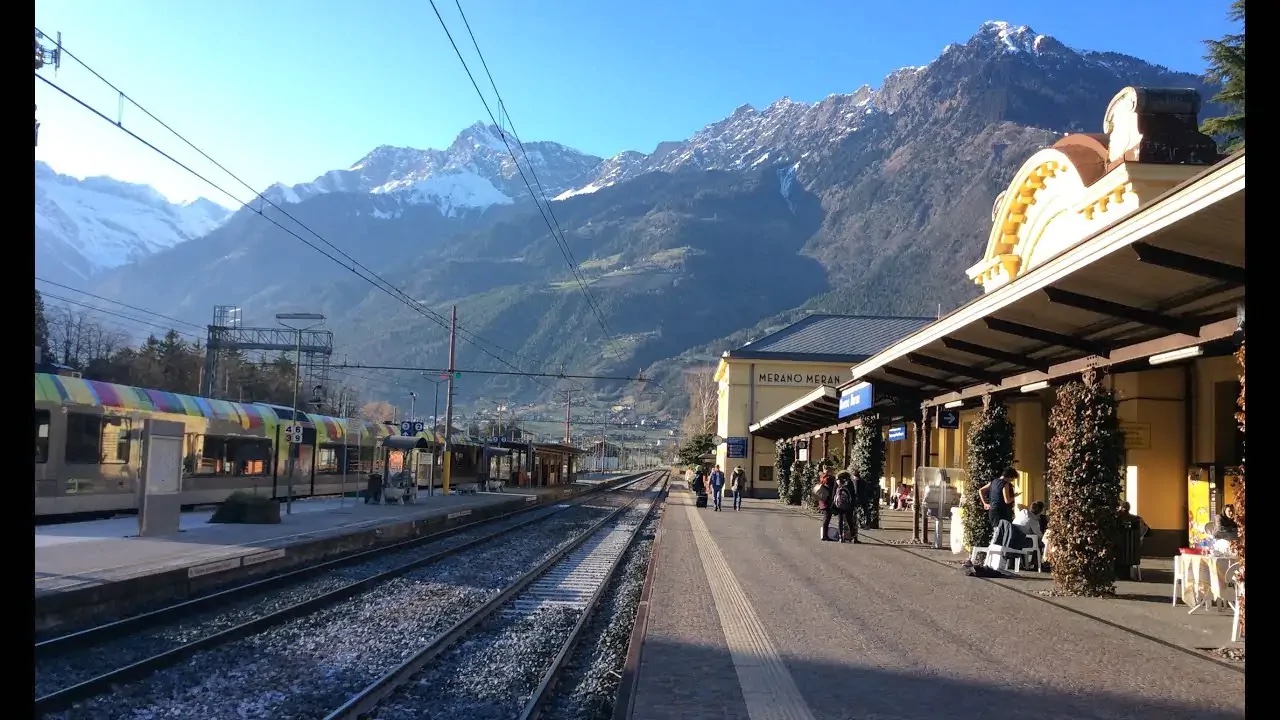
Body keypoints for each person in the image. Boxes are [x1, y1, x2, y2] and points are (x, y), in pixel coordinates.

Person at [833, 471, 860, 543]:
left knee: (840, 521)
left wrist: (834, 505)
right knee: (850, 521)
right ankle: (854, 537)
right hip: (848, 505)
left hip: (839, 505)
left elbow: (834, 493)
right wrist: (854, 504)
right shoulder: (849, 482)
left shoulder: (837, 482)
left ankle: (840, 537)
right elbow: (853, 494)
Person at [816, 468, 837, 541]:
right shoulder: (829, 479)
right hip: (827, 501)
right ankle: (825, 535)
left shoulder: (822, 478)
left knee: (826, 518)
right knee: (827, 519)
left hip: (823, 501)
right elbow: (832, 489)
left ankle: (824, 535)